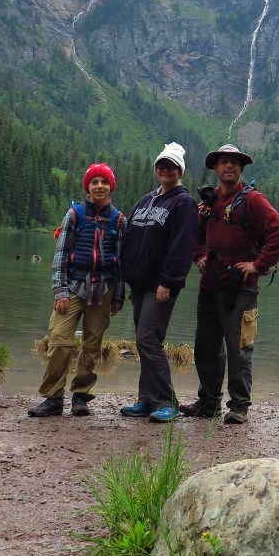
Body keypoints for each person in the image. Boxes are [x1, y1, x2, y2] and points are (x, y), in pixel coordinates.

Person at [181, 144, 279, 425]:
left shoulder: (253, 200)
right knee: (205, 345)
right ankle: (208, 402)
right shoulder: (209, 202)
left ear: (241, 169)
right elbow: (197, 233)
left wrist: (258, 264)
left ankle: (239, 406)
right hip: (210, 284)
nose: (228, 166)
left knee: (239, 347)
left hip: (242, 287)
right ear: (216, 168)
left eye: (234, 163)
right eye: (223, 162)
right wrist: (200, 255)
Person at [28, 163, 124, 418]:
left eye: (104, 182)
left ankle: (80, 396)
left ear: (110, 187)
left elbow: (121, 262)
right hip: (73, 285)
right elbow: (60, 255)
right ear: (88, 187)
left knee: (92, 345)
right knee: (60, 341)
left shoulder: (118, 219)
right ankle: (53, 398)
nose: (99, 186)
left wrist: (118, 296)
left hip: (104, 288)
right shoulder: (74, 215)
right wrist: (59, 291)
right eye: (95, 182)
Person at [117, 143, 197, 423]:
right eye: (162, 165)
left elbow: (182, 247)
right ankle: (146, 399)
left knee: (147, 339)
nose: (166, 169)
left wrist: (169, 281)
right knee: (146, 342)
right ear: (155, 168)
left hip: (160, 286)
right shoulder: (145, 200)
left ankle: (167, 402)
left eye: (172, 166)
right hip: (139, 284)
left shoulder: (183, 203)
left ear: (180, 171)